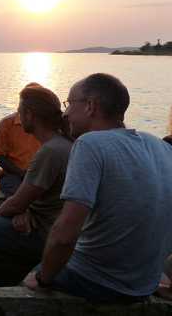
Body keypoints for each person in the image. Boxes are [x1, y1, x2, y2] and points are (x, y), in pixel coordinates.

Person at [25, 73, 172, 304]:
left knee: (30, 282)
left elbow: (64, 235)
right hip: (144, 285)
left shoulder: (90, 144)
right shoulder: (161, 147)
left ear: (90, 106)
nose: (65, 114)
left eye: (69, 104)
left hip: (95, 281)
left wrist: (43, 279)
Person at [0, 85, 72, 265]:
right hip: (42, 222)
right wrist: (22, 212)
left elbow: (15, 204)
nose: (17, 116)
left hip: (42, 234)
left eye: (19, 111)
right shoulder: (65, 144)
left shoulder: (50, 151)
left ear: (30, 115)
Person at [0, 83, 42, 196]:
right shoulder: (7, 123)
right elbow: (0, 157)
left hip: (39, 176)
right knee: (18, 194)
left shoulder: (47, 125)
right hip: (14, 175)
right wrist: (21, 173)